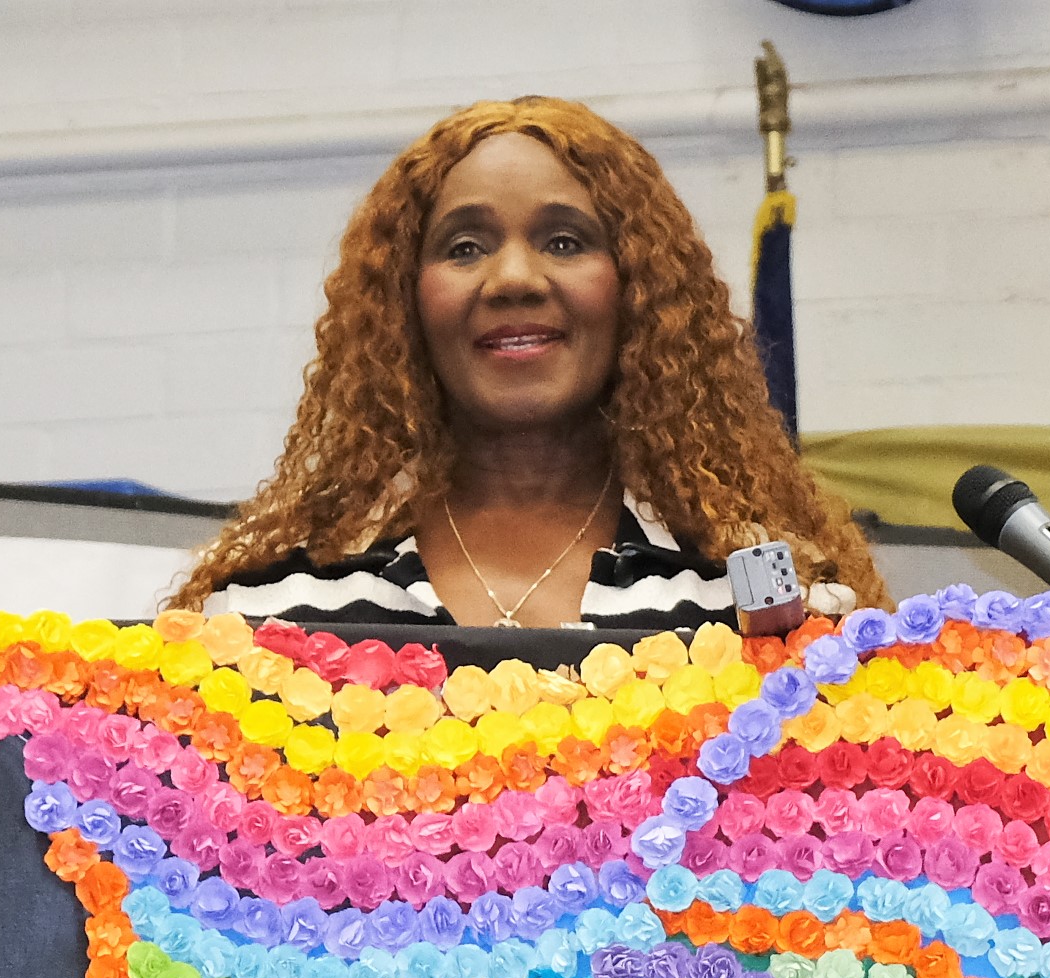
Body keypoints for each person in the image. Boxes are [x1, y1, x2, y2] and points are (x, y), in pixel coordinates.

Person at [169, 95, 887, 628]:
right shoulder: (271, 610)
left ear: (638, 290)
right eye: (464, 247)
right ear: (402, 303)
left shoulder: (759, 599)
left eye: (565, 241)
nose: (513, 278)